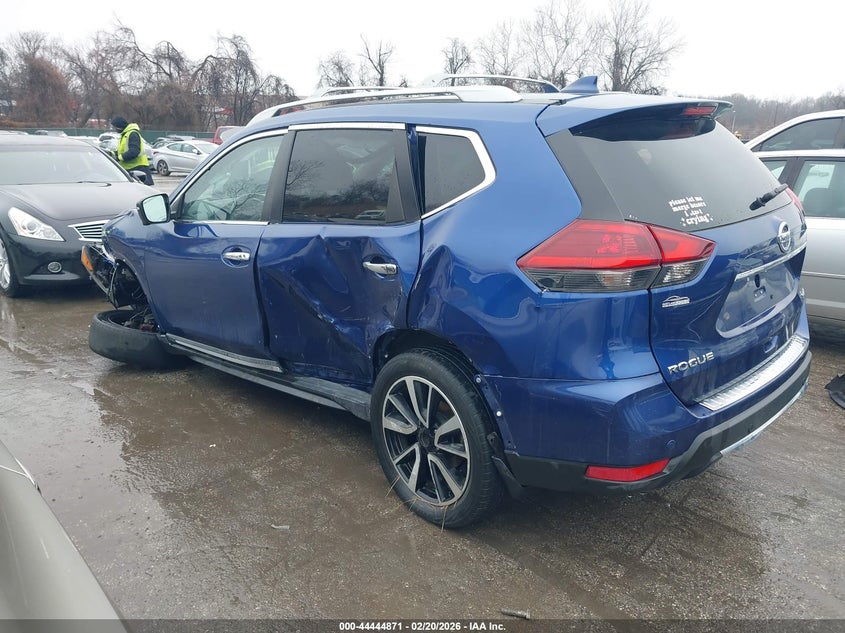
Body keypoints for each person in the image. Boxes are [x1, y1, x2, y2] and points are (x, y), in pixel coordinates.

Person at [110, 116, 155, 186]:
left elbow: (134, 151)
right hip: (130, 169)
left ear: (119, 127)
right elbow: (122, 151)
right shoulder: (124, 135)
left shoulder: (132, 134)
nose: (114, 130)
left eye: (114, 127)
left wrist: (118, 158)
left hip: (139, 168)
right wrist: (111, 154)